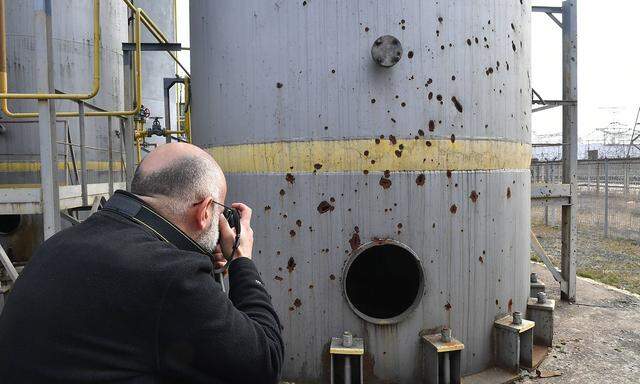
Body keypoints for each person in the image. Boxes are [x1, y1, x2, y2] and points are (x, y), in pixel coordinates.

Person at [0, 143, 284, 383]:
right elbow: (263, 363)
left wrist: (204, 253)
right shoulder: (172, 277)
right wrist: (241, 260)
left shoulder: (61, 244)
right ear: (206, 211)